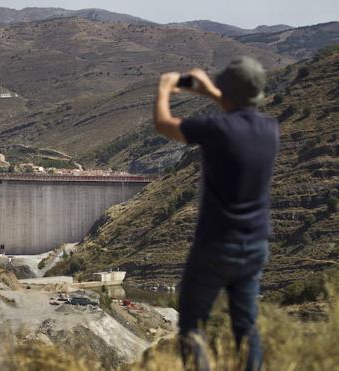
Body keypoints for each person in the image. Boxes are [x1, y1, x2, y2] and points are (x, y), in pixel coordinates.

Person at [152, 56, 280, 371]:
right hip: (255, 246)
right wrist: (213, 91)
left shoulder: (215, 128)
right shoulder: (270, 129)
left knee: (193, 325)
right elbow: (238, 110)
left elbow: (163, 123)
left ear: (225, 91)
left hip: (215, 245)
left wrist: (165, 88)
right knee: (246, 326)